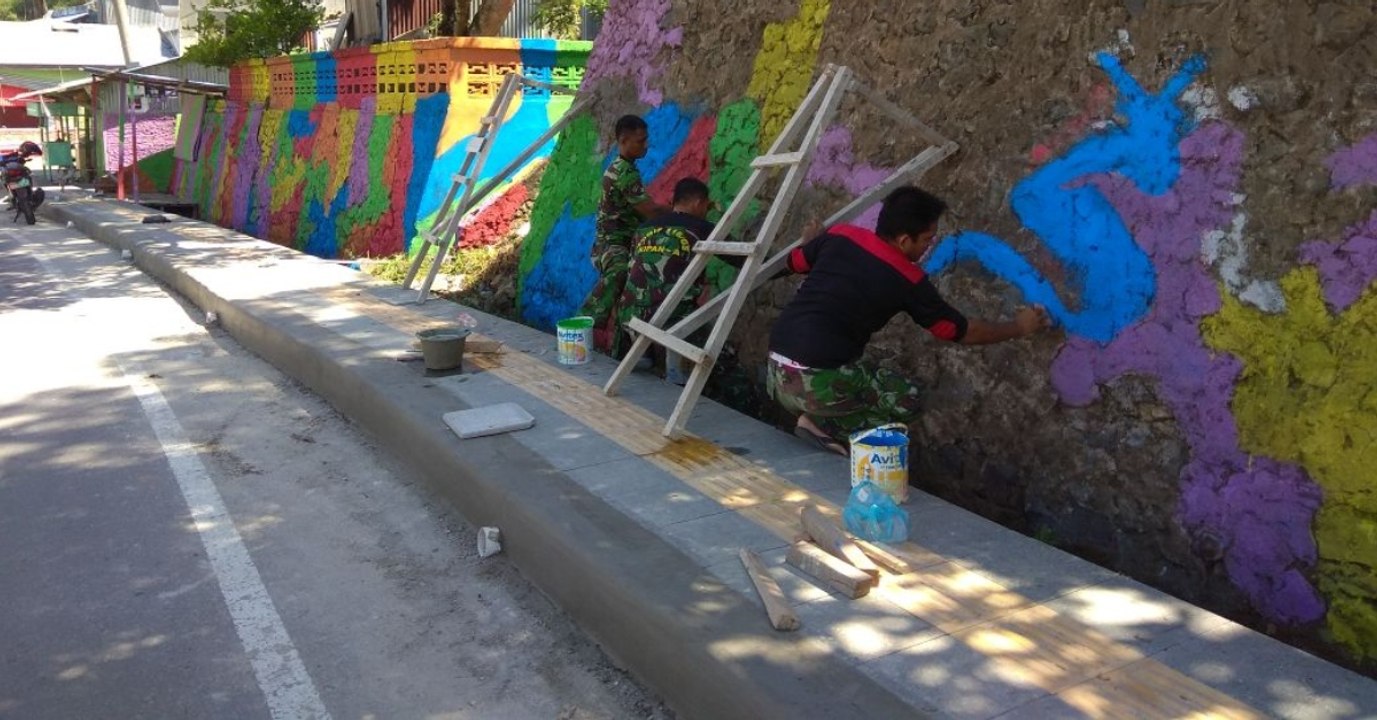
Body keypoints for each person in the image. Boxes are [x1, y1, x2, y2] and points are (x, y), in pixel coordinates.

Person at [767, 186, 1051, 456]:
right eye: (927, 239)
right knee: (908, 398)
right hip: (814, 381)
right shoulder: (907, 278)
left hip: (775, 370)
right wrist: (1020, 327)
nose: (930, 246)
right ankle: (823, 425)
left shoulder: (840, 235)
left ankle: (816, 416)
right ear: (904, 240)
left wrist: (812, 242)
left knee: (857, 372)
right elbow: (958, 330)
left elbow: (795, 263)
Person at [614, 177, 741, 375]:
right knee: (721, 361)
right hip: (671, 315)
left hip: (629, 314)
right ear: (699, 203)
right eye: (706, 206)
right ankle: (680, 379)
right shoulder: (702, 228)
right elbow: (742, 258)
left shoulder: (644, 228)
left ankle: (646, 357)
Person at [582, 114, 670, 356]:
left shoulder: (624, 167)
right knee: (620, 271)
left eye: (645, 140)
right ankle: (584, 323)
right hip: (612, 245)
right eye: (640, 141)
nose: (645, 145)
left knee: (629, 296)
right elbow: (649, 210)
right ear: (623, 140)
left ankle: (621, 352)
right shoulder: (624, 172)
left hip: (620, 242)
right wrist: (677, 212)